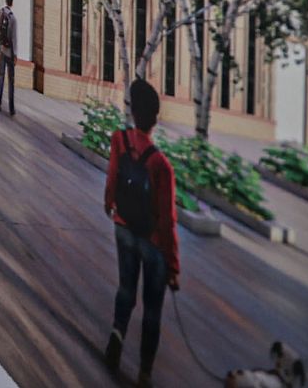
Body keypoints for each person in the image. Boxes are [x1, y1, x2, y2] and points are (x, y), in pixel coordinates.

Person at [103, 79, 180, 388]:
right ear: (155, 119)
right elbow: (167, 221)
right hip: (153, 243)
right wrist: (173, 266)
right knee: (152, 308)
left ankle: (117, 335)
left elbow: (113, 176)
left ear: (133, 112)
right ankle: (145, 372)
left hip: (123, 227)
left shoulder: (119, 140)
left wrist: (109, 203)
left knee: (126, 288)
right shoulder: (161, 165)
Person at [0, 0, 17, 115]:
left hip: (2, 50)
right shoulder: (13, 18)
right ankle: (11, 108)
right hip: (10, 53)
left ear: (5, 1)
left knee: (1, 76)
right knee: (11, 81)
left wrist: (0, 41)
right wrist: (15, 54)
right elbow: (14, 38)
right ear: (12, 3)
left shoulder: (1, 13)